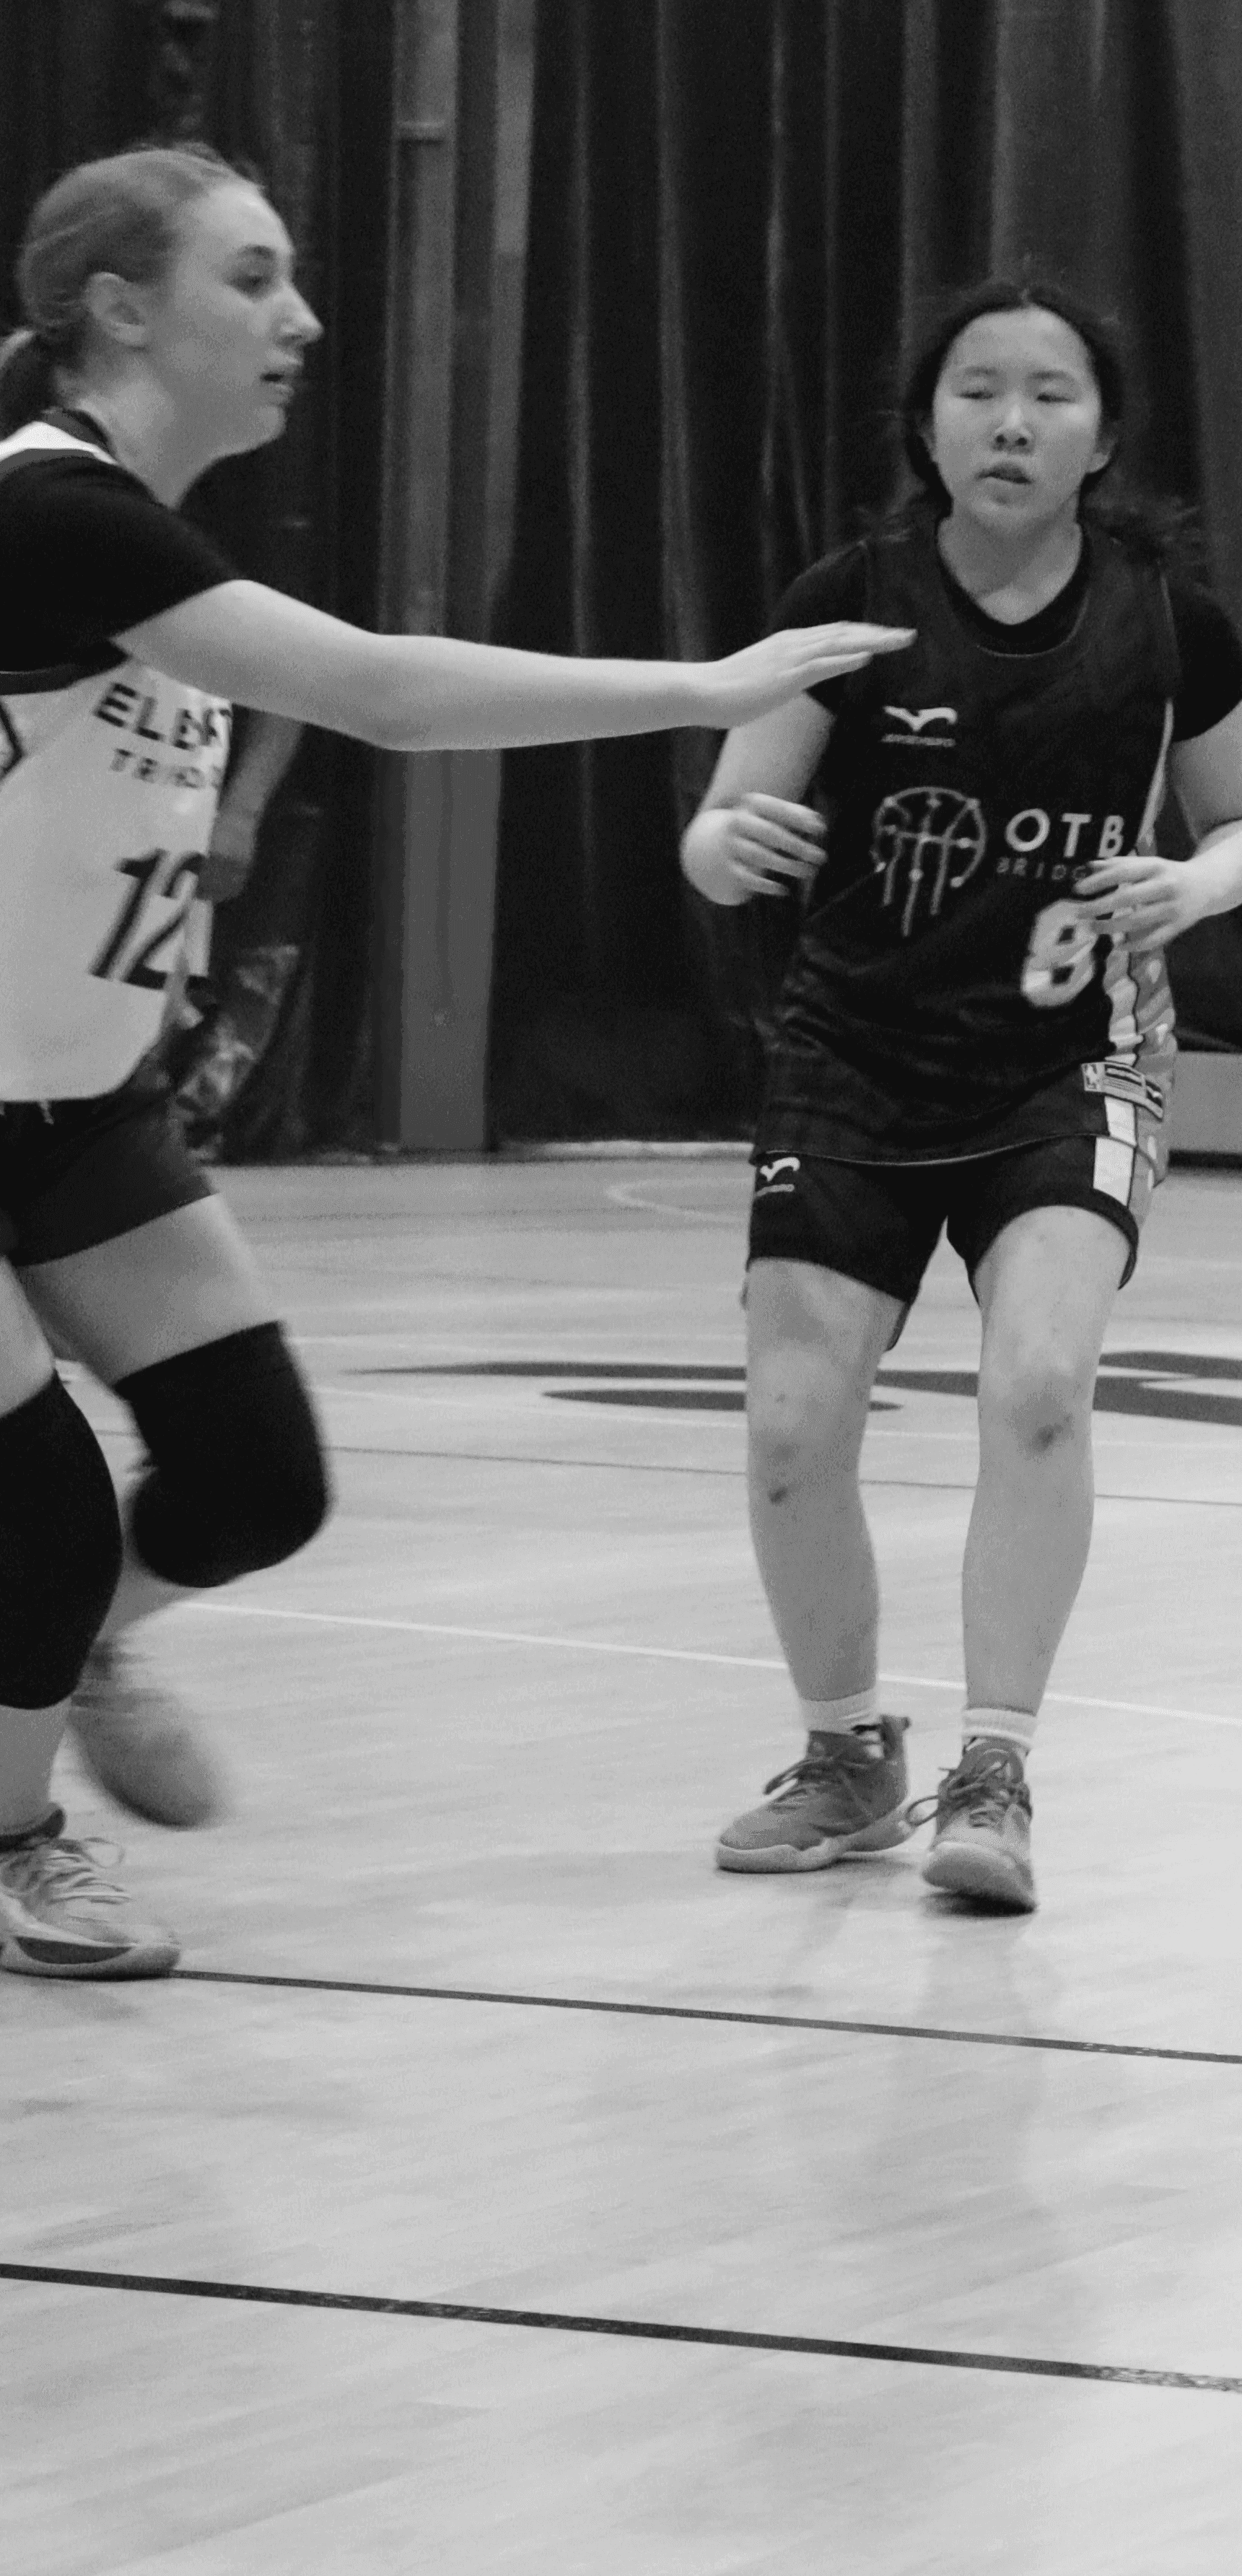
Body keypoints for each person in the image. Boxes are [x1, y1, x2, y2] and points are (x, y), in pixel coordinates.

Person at [0, 144, 903, 1979]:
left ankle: (69, 1637)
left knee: (252, 1478)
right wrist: (708, 687)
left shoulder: (146, 548)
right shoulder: (51, 513)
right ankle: (18, 1837)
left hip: (77, 1103)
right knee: (35, 1506)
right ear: (118, 308)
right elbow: (383, 688)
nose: (301, 317)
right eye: (254, 278)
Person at [681, 278, 1242, 1916]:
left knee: (1037, 1385)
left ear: (1102, 434)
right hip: (852, 1060)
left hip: (1067, 1063)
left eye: (1049, 394)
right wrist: (728, 843)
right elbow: (724, 814)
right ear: (926, 422)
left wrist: (1197, 883)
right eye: (976, 391)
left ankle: (997, 1766)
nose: (1010, 421)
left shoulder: (1169, 620)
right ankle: (845, 1751)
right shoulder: (851, 604)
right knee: (797, 1426)